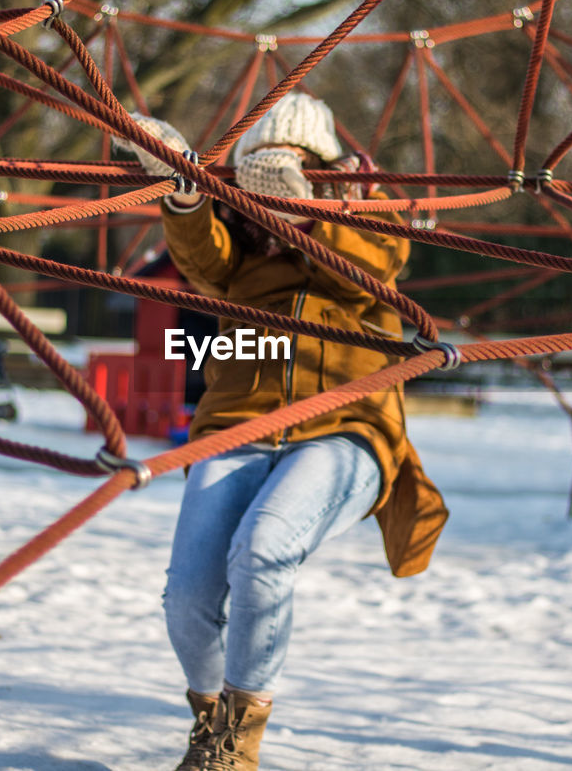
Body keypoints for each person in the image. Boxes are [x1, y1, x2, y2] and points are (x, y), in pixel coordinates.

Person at [123, 94, 447, 771]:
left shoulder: (366, 211)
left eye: (292, 166)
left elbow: (380, 268)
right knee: (187, 594)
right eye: (258, 173)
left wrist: (306, 214)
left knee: (264, 547)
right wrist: (186, 192)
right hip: (240, 421)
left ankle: (239, 746)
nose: (270, 184)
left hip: (345, 424)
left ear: (325, 166)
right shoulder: (241, 242)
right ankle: (210, 723)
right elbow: (203, 262)